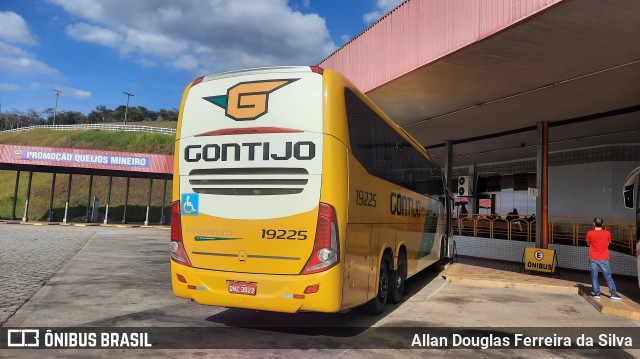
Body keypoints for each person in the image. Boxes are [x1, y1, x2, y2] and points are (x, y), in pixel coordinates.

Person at [586, 217, 621, 300]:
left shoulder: (589, 233)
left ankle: (597, 293)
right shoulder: (607, 233)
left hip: (593, 258)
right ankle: (613, 293)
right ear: (602, 224)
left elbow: (588, 243)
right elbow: (608, 243)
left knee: (594, 276)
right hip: (604, 258)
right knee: (608, 277)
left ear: (594, 224)